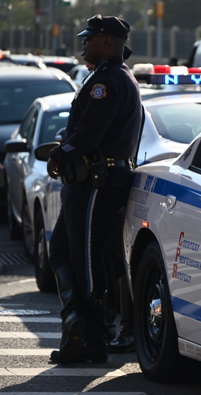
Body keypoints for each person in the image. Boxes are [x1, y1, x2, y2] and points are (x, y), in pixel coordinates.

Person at [47, 14, 142, 364]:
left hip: (98, 183)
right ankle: (75, 326)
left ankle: (92, 340)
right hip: (86, 183)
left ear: (106, 42)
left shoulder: (108, 82)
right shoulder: (104, 77)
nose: (83, 42)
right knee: (61, 251)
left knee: (86, 260)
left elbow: (89, 135)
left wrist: (61, 152)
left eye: (89, 38)